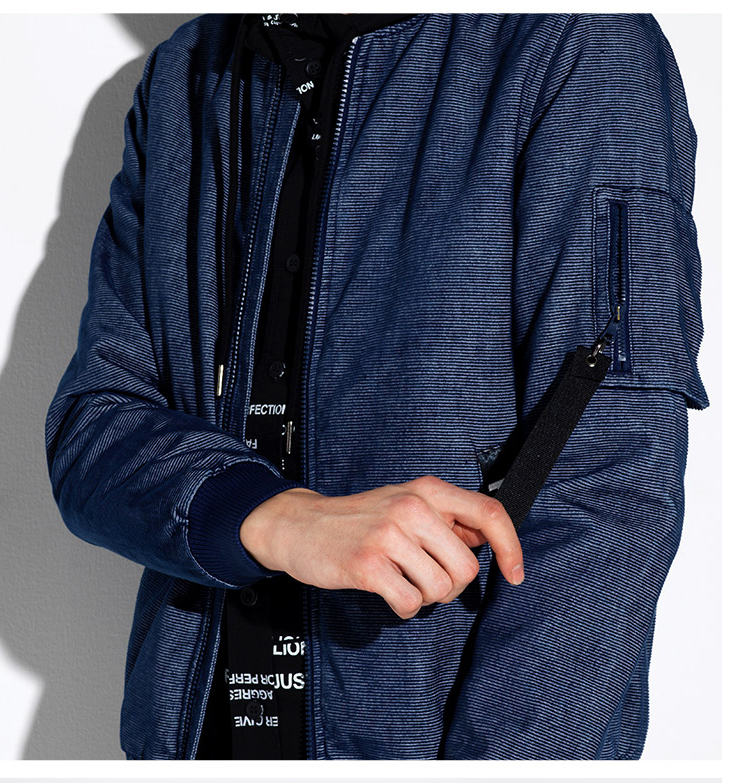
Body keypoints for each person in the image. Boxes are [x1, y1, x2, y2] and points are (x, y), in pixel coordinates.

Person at [44, 13, 710, 760]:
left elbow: (609, 487)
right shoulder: (189, 73)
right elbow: (93, 427)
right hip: (196, 740)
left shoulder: (575, 41)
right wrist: (275, 518)